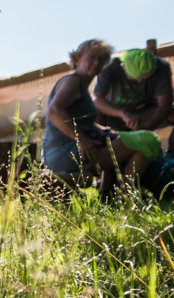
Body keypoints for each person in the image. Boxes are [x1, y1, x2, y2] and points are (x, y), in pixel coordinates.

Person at [93, 46, 174, 183]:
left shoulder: (161, 66)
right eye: (136, 78)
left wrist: (143, 131)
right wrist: (123, 113)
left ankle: (168, 162)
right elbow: (97, 98)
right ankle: (106, 175)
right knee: (95, 111)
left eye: (145, 78)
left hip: (146, 115)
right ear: (123, 67)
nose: (140, 81)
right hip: (115, 116)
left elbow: (165, 105)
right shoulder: (109, 68)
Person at [41, 38, 117, 189]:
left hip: (66, 148)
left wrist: (105, 131)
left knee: (118, 139)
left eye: (101, 59)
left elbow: (83, 122)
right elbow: (54, 111)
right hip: (62, 151)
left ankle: (109, 194)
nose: (97, 63)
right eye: (92, 57)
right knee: (132, 145)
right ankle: (120, 195)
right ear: (77, 58)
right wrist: (82, 139)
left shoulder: (82, 86)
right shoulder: (72, 81)